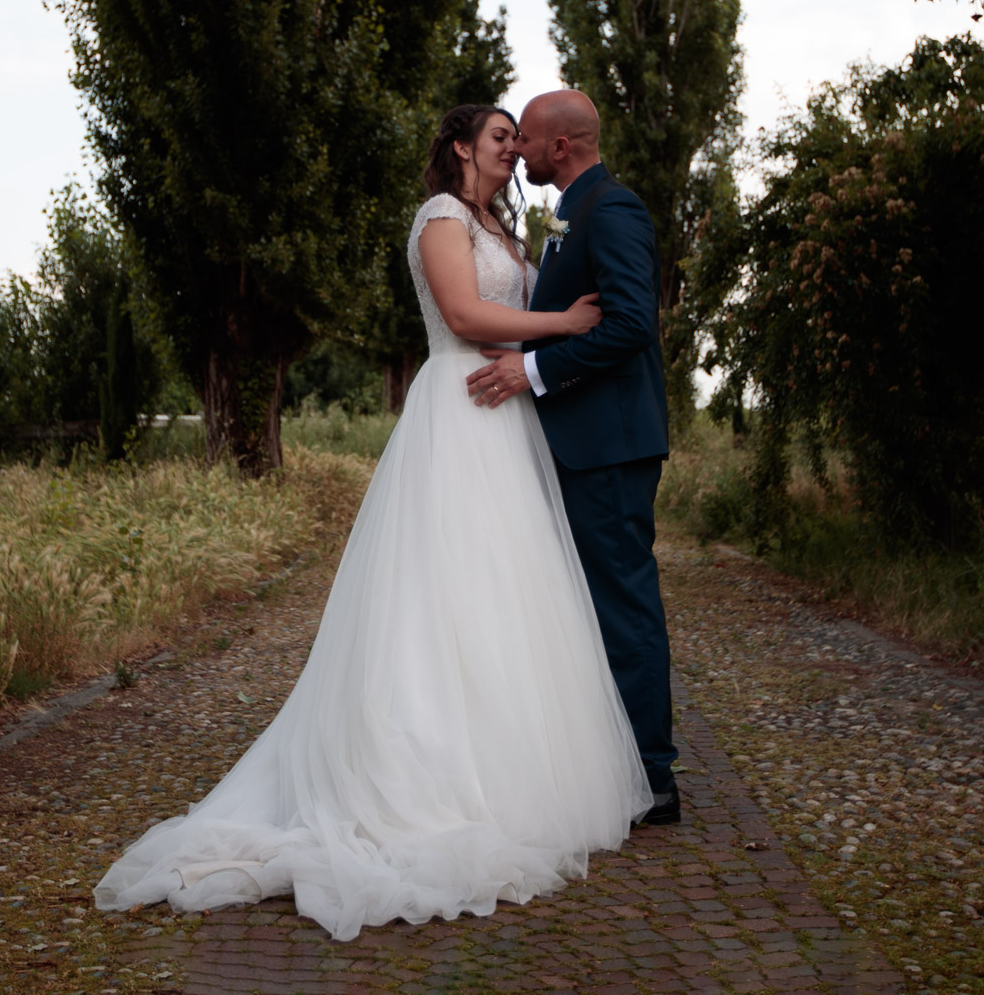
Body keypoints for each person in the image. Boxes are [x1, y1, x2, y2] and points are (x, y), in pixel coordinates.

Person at [93, 104, 651, 941]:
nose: (513, 151)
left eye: (518, 138)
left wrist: (545, 351)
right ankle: (419, 778)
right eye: (500, 138)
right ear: (463, 147)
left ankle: (510, 773)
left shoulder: (507, 229)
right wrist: (562, 326)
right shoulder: (438, 218)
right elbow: (464, 319)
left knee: (508, 601)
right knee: (442, 597)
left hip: (511, 426)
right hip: (458, 414)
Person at [464, 89, 678, 824]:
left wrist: (531, 371)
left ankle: (652, 778)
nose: (517, 150)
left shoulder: (611, 209)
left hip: (610, 446)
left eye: (525, 138)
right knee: (585, 610)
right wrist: (524, 347)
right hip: (580, 443)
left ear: (561, 148)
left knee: (623, 606)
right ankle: (613, 761)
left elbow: (627, 328)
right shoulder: (567, 213)